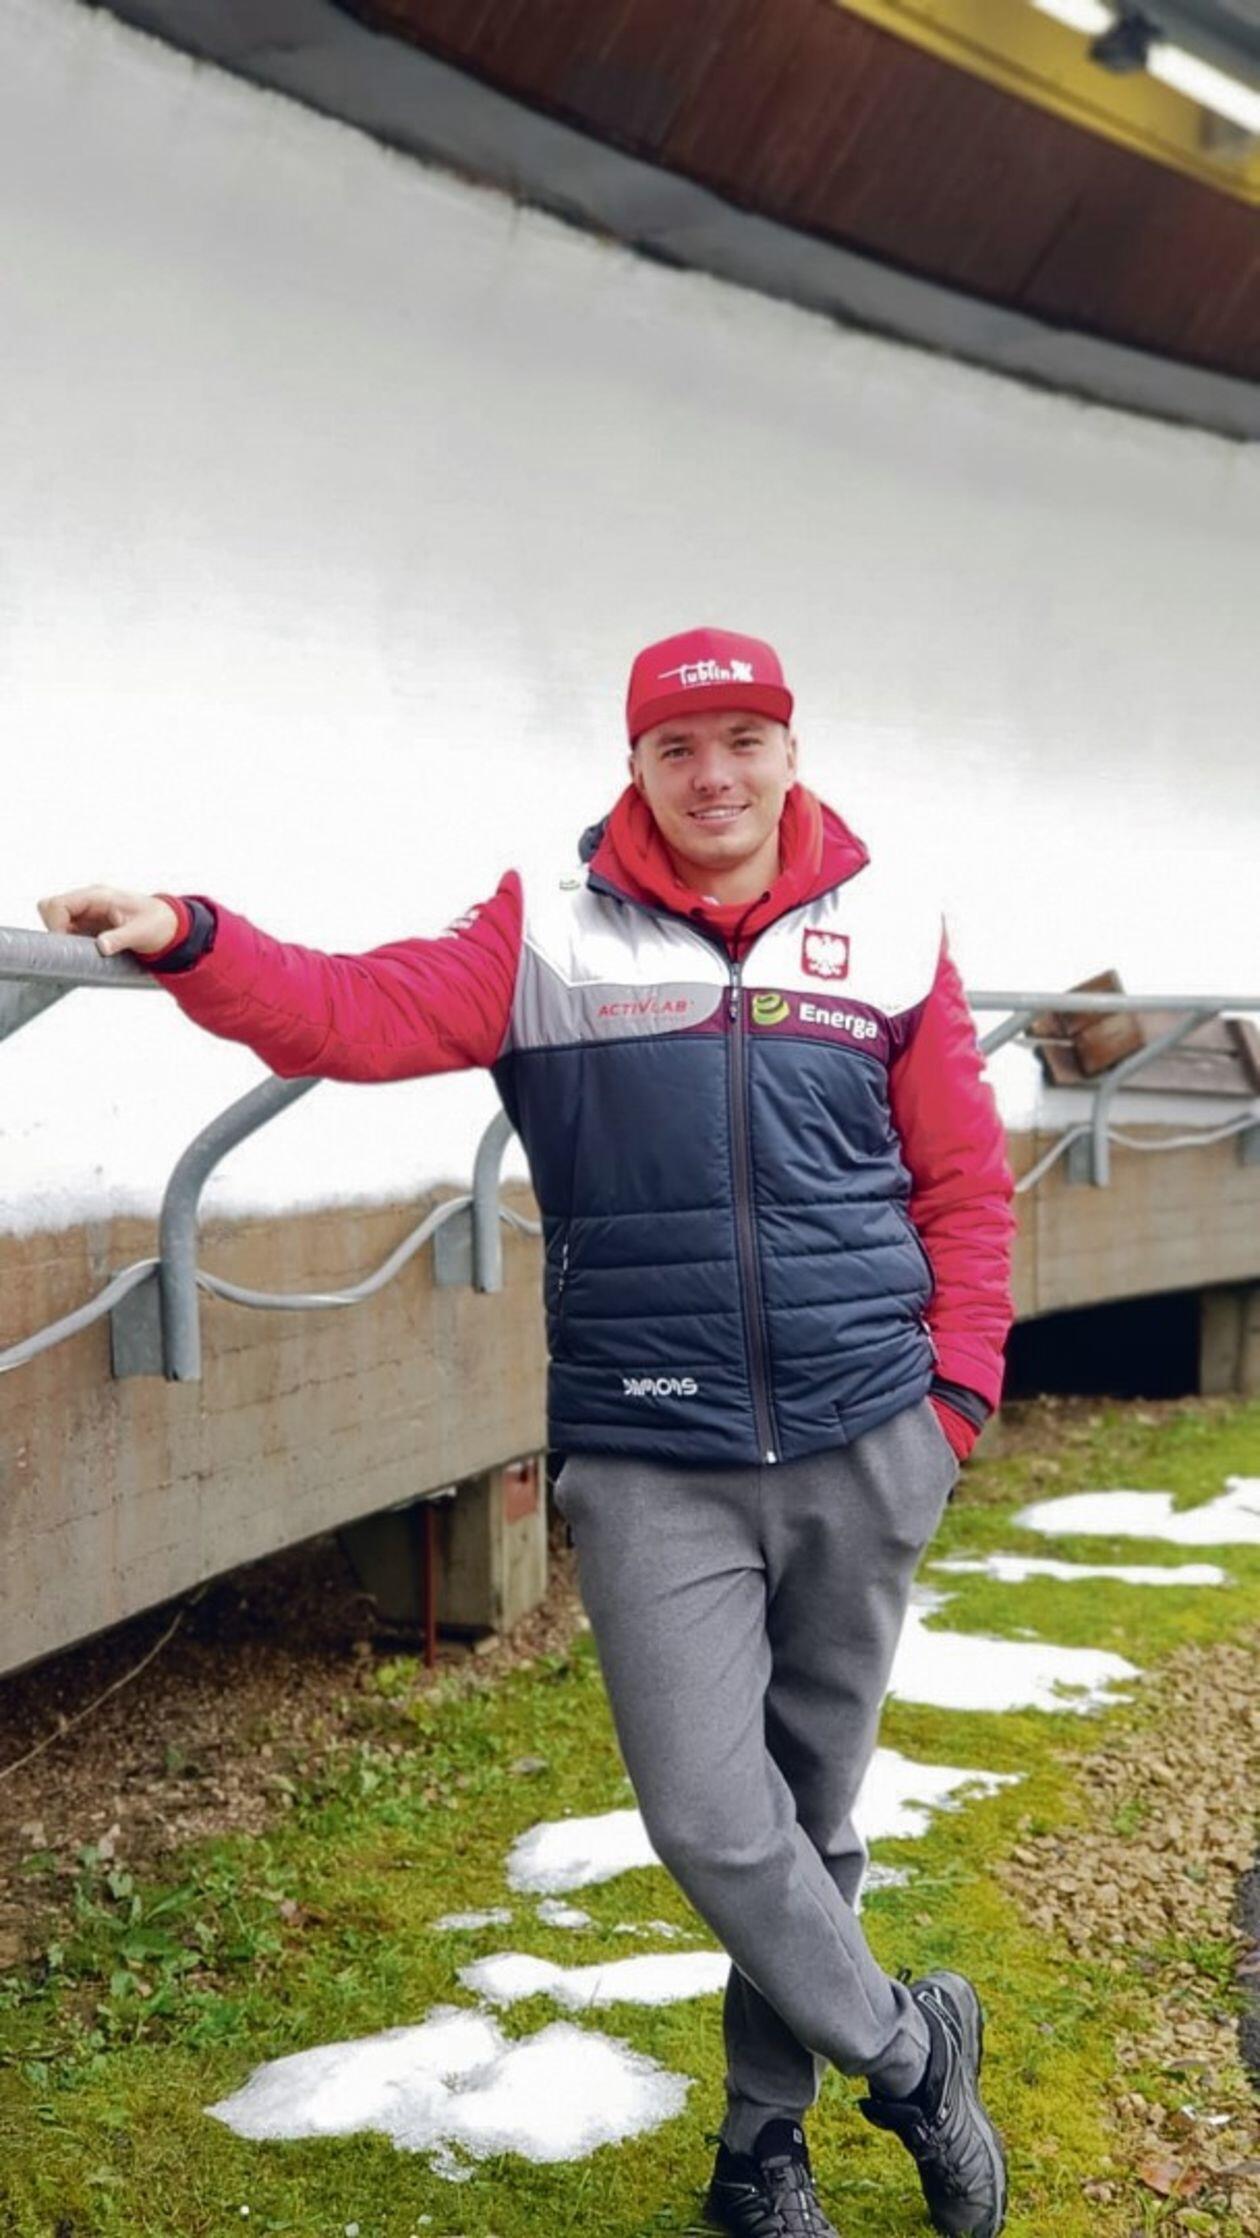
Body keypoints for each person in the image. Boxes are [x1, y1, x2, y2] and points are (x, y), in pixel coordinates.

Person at [39, 626, 1014, 2238]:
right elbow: (351, 1010)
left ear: (791, 749)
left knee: (810, 1811)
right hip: (652, 1451)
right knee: (712, 1818)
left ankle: (760, 2151)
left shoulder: (890, 929)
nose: (713, 775)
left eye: (743, 740)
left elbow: (964, 1182)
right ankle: (914, 2060)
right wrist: (195, 936)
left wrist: (952, 1402)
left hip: (867, 1435)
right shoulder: (550, 933)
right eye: (676, 747)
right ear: (633, 765)